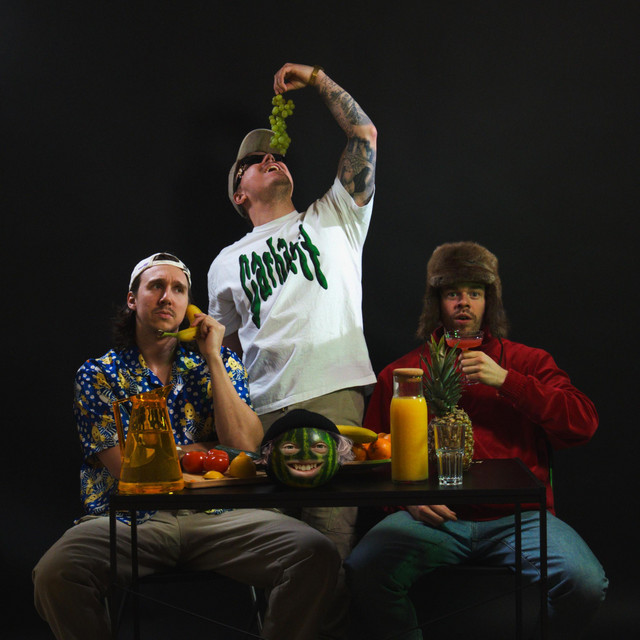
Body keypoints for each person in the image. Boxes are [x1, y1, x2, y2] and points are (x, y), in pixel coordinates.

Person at [33, 252, 341, 640]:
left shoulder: (222, 363)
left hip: (220, 516)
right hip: (133, 522)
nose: (168, 297)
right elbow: (129, 469)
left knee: (315, 553)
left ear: (188, 306)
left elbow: (245, 447)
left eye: (178, 289)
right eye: (156, 286)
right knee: (55, 572)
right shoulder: (98, 374)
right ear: (132, 300)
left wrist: (212, 357)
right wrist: (208, 450)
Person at [344, 241, 608, 640]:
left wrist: (508, 381)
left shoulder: (528, 362)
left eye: (475, 293)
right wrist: (406, 502)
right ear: (437, 302)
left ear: (489, 302)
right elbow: (373, 458)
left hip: (519, 518)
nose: (463, 303)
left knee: (585, 582)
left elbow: (583, 423)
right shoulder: (403, 372)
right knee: (362, 571)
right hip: (432, 520)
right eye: (452, 293)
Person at [207, 61, 377, 618]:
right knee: (273, 553)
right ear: (239, 195)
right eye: (252, 163)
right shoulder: (224, 263)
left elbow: (363, 134)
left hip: (333, 400)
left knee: (329, 546)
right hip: (262, 415)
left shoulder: (335, 216)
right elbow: (223, 348)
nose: (268, 159)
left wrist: (317, 79)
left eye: (273, 155)